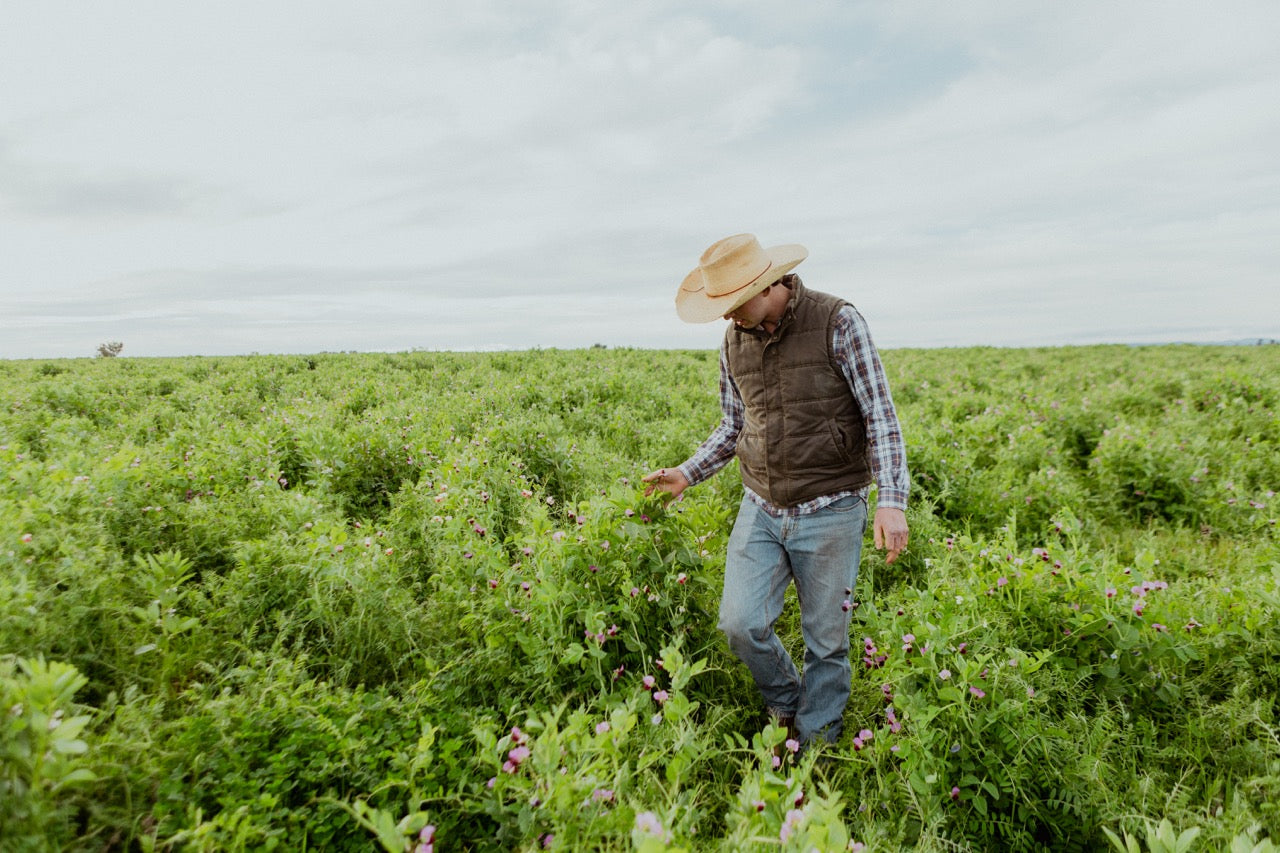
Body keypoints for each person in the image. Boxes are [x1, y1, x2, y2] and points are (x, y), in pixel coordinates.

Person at [643, 233, 909, 748]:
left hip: (832, 507)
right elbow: (734, 423)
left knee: (827, 643)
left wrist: (891, 500)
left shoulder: (838, 321)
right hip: (761, 505)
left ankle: (816, 747)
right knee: (739, 623)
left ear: (765, 286)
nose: (724, 317)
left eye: (730, 303)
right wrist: (687, 472)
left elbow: (881, 413)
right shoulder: (734, 341)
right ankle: (787, 702)